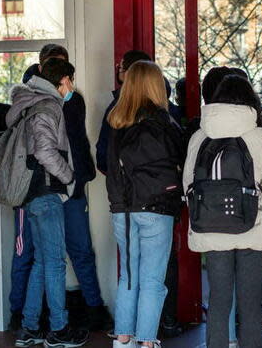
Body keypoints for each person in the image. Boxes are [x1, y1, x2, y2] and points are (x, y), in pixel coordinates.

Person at [10, 45, 113, 333]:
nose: (68, 82)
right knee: (38, 257)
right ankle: (39, 321)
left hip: (56, 188)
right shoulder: (34, 101)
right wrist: (70, 178)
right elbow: (47, 149)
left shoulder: (65, 100)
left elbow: (75, 140)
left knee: (60, 255)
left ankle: (33, 321)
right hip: (46, 187)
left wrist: (73, 181)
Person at [184, 75, 262, 348]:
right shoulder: (258, 135)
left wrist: (207, 214)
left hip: (213, 230)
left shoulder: (199, 136)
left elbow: (188, 185)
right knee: (250, 303)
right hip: (252, 230)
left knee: (218, 302)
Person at [106, 60, 184, 348]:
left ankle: (123, 338)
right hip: (156, 208)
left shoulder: (114, 120)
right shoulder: (163, 122)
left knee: (129, 277)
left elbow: (108, 165)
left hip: (122, 210)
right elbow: (181, 159)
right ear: (155, 85)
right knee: (152, 281)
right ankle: (147, 342)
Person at [96, 49, 152, 175]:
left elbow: (104, 150)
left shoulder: (118, 107)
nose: (118, 71)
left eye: (120, 67)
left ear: (129, 73)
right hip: (159, 184)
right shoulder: (162, 105)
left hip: (125, 181)